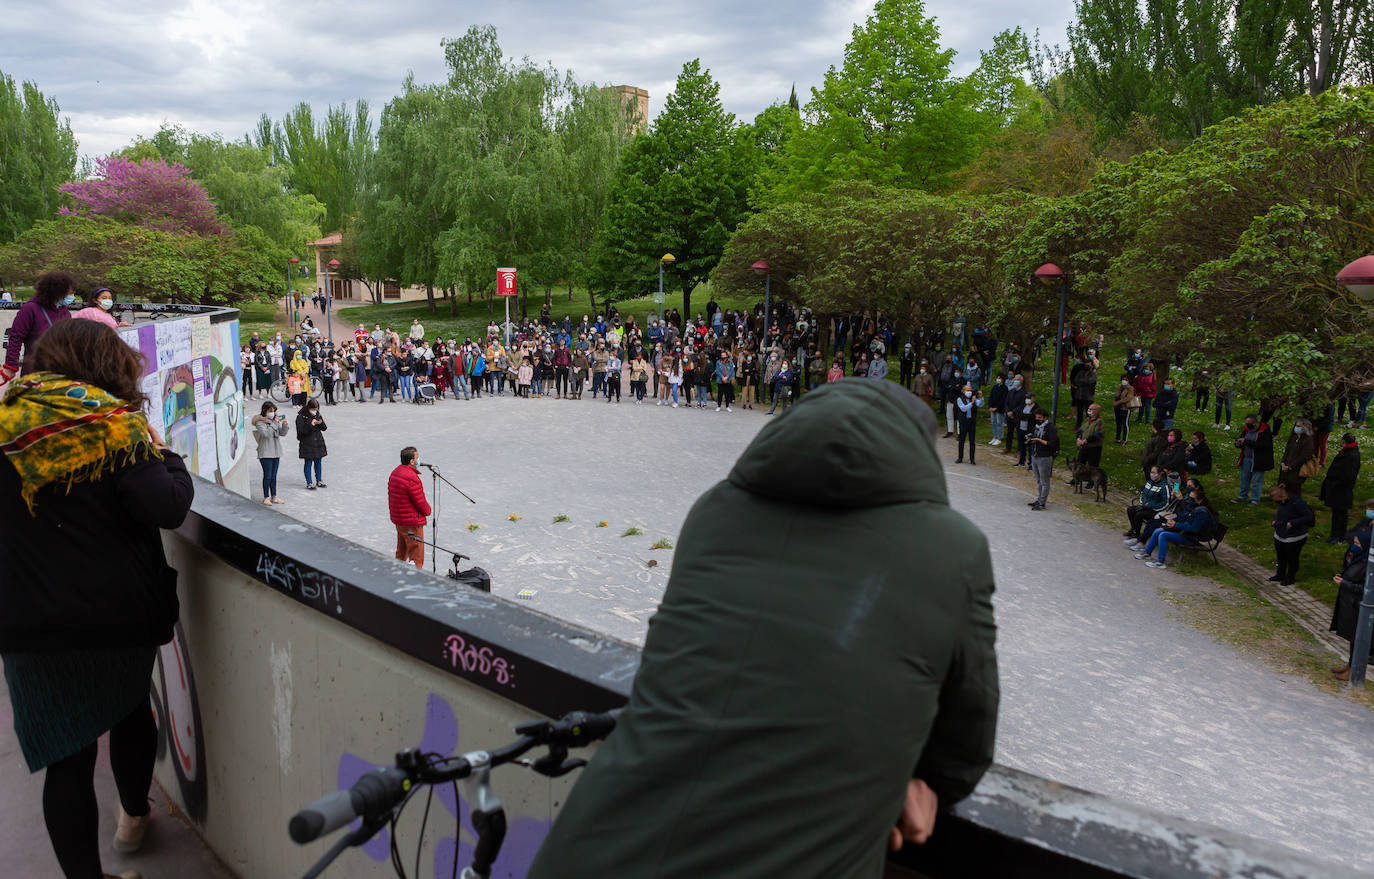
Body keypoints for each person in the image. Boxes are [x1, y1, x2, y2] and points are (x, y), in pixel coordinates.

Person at [527, 379, 997, 879]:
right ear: (917, 453)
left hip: (595, 849)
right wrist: (914, 783)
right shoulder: (954, 550)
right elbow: (964, 744)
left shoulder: (715, 511)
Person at [0, 318, 194, 879]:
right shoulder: (113, 428)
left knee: (67, 762)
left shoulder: (7, 427)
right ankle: (134, 815)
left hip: (28, 624)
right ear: (108, 365)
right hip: (115, 619)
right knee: (130, 713)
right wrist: (167, 455)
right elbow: (167, 507)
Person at [1, 270, 75, 386]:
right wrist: (11, 366)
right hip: (35, 370)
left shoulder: (65, 312)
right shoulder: (30, 309)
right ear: (56, 291)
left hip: (61, 371)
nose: (72, 297)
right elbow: (16, 337)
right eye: (69, 293)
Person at [1330, 508, 1374, 680]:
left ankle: (1354, 671)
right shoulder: (1359, 557)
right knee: (1353, 639)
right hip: (1351, 604)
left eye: (1357, 543)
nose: (1354, 546)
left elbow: (1368, 589)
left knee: (1358, 639)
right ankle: (1349, 666)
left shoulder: (1368, 564)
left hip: (1359, 606)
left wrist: (1345, 583)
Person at [1133, 485, 1216, 569]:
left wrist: (1176, 525)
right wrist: (1173, 521)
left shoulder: (1202, 512)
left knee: (1163, 535)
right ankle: (1147, 553)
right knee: (1158, 530)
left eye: (1191, 499)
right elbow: (1183, 517)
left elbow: (1194, 529)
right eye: (1189, 498)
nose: (1189, 500)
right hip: (1184, 533)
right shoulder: (1193, 508)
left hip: (1191, 538)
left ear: (1200, 500)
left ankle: (1160, 562)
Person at [387, 446, 432, 568]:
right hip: (412, 522)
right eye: (417, 458)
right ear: (411, 461)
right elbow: (420, 502)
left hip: (399, 520)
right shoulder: (412, 478)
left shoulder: (395, 472)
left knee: (401, 553)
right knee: (416, 557)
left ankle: (396, 575)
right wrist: (428, 511)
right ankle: (414, 581)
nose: (419, 461)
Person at [1270, 481, 1314, 586]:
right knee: (1281, 557)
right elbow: (1281, 514)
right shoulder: (1282, 503)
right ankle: (1280, 574)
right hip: (1280, 534)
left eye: (1277, 500)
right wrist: (1276, 522)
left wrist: (1293, 523)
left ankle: (1290, 577)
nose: (1276, 502)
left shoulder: (1297, 503)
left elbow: (1308, 516)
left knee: (1292, 558)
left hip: (1295, 537)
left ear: (1282, 497)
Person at [1320, 434, 1361, 543]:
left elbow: (1348, 475)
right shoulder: (1349, 452)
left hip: (1341, 489)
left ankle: (1338, 536)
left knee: (1340, 515)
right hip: (1339, 489)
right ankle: (1336, 535)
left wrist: (1336, 484)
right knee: (1338, 513)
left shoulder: (1350, 455)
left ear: (1344, 441)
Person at [1123, 466, 1174, 545]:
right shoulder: (1149, 482)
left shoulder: (1165, 486)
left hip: (1156, 510)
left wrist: (1150, 505)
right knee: (1130, 509)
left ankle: (1137, 536)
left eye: (1154, 473)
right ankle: (1134, 530)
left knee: (1139, 515)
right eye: (1151, 472)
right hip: (1145, 506)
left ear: (1160, 474)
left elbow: (1165, 503)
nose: (1151, 474)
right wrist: (1143, 502)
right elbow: (1143, 494)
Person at [252, 401, 289, 506]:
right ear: (265, 411)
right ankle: (266, 497)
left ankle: (274, 496)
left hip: (276, 451)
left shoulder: (274, 421)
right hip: (265, 452)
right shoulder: (260, 422)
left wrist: (285, 425)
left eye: (274, 411)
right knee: (267, 475)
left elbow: (282, 433)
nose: (273, 413)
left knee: (274, 475)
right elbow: (266, 434)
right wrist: (275, 424)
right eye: (270, 411)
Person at [1232, 415, 1274, 505]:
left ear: (1256, 423)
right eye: (1246, 424)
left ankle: (1255, 499)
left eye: (1249, 424)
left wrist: (1246, 441)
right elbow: (1242, 440)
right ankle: (1242, 496)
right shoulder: (1246, 430)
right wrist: (1238, 443)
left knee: (1256, 481)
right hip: (1246, 458)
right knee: (1244, 479)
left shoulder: (1264, 431)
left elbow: (1263, 445)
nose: (1248, 426)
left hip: (1259, 460)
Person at [1027, 407, 1060, 510]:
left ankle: (1042, 502)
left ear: (1045, 418)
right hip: (1035, 455)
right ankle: (1039, 498)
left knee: (1044, 481)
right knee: (1038, 480)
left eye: (1040, 418)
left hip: (1044, 457)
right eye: (1037, 417)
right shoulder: (1037, 426)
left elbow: (1052, 443)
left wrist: (1039, 440)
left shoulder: (1051, 428)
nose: (1038, 420)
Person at [296, 399, 328, 489]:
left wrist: (320, 423)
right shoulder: (301, 417)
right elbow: (300, 432)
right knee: (308, 463)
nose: (315, 411)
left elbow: (324, 428)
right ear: (309, 408)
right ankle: (309, 482)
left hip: (318, 442)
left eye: (317, 409)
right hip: (307, 443)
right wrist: (311, 425)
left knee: (318, 462)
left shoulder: (317, 414)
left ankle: (319, 480)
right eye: (314, 409)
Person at [1278, 418, 1316, 493]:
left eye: (1299, 426)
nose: (1296, 428)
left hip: (1296, 471)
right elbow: (1287, 451)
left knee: (1293, 491)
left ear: (1305, 428)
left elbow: (1304, 456)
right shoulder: (1294, 437)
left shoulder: (1308, 440)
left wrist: (1290, 466)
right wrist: (1283, 463)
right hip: (1285, 468)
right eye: (1296, 425)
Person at [954, 383, 984, 464]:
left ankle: (972, 459)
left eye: (970, 390)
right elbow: (963, 409)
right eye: (968, 390)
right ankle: (960, 457)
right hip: (963, 421)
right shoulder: (959, 399)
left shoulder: (973, 398)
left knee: (972, 441)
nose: (969, 392)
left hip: (972, 422)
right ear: (963, 391)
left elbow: (980, 404)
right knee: (962, 440)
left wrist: (981, 397)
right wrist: (971, 403)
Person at [1075, 403, 1105, 469]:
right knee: (1079, 464)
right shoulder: (1087, 420)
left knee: (1093, 467)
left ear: (1096, 411)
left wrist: (1085, 441)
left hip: (1094, 448)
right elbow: (1080, 430)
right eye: (1089, 408)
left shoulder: (1100, 422)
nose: (1088, 410)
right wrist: (1078, 439)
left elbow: (1097, 435)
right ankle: (1076, 479)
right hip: (1084, 447)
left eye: (1091, 409)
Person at [1112, 374, 1136, 444]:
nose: (1124, 381)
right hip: (1117, 408)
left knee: (1125, 423)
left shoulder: (1130, 388)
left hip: (1125, 408)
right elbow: (1115, 395)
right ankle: (1117, 438)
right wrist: (1114, 401)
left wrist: (1118, 402)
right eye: (1123, 379)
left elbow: (1128, 398)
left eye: (1126, 380)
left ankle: (1124, 439)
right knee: (1118, 422)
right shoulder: (1120, 387)